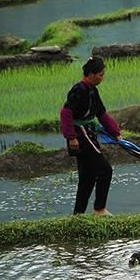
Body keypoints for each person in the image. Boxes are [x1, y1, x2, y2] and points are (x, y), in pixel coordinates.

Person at [60, 56, 121, 216]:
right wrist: (71, 137)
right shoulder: (79, 90)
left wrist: (116, 133)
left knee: (87, 176)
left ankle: (78, 215)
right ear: (91, 74)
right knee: (105, 170)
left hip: (88, 132)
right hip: (80, 134)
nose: (102, 77)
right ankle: (99, 209)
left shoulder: (93, 90)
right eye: (100, 74)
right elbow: (66, 113)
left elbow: (101, 114)